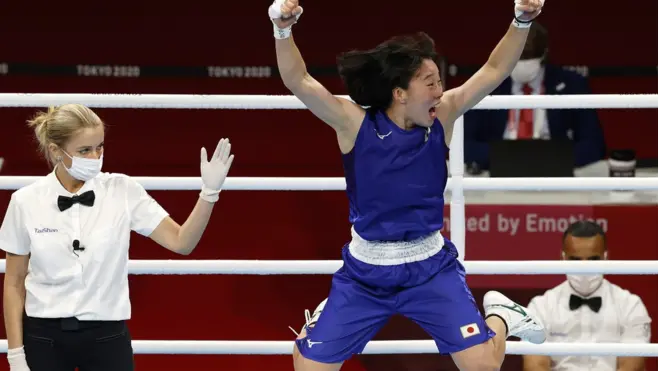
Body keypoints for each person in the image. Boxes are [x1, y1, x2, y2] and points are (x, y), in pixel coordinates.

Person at [269, 0, 547, 370]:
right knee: (308, 368)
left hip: (429, 268)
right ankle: (326, 318)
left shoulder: (443, 116)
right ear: (400, 93)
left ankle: (500, 314)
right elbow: (298, 80)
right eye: (430, 83)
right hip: (365, 273)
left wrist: (521, 21)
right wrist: (283, 30)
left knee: (482, 366)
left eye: (440, 81)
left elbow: (494, 69)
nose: (440, 90)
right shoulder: (354, 124)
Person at [0, 104, 234, 371]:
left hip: (106, 337)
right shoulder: (25, 201)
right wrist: (15, 355)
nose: (96, 156)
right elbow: (14, 284)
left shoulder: (123, 190)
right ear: (56, 151)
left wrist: (209, 194)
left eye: (99, 146)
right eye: (84, 150)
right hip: (43, 338)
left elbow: (182, 242)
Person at [463, 21, 605, 172]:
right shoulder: (486, 85)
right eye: (516, 57)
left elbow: (594, 145)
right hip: (498, 171)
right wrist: (506, 157)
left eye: (528, 57)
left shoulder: (572, 84)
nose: (521, 63)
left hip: (554, 173)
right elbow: (463, 144)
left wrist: (546, 158)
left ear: (544, 54)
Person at [523, 221, 651, 371]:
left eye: (593, 259)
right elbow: (535, 367)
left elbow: (631, 367)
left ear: (605, 257)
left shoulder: (631, 305)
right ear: (563, 258)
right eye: (575, 260)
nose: (584, 267)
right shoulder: (540, 307)